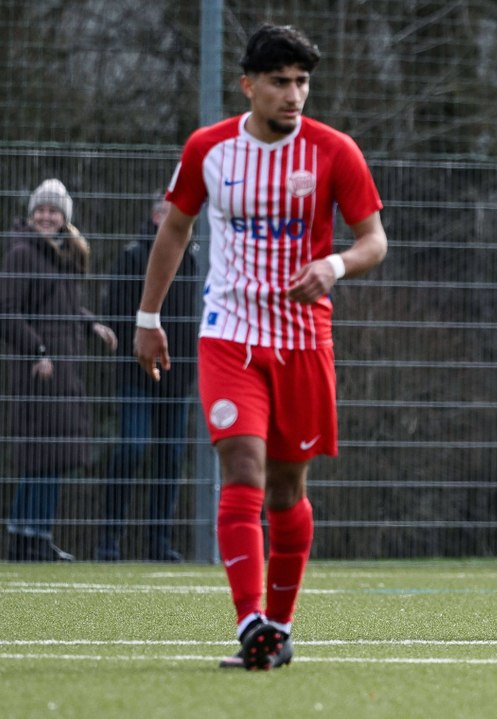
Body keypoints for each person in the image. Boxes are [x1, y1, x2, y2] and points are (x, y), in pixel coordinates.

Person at [133, 24, 386, 670]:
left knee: (285, 488)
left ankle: (278, 624)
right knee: (242, 464)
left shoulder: (334, 151)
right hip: (230, 335)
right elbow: (176, 230)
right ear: (248, 85)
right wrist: (148, 315)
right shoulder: (208, 150)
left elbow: (373, 240)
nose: (293, 93)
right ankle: (250, 620)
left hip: (304, 342)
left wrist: (334, 267)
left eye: (302, 81)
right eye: (279, 81)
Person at [1, 179, 117, 561]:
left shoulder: (62, 254)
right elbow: (9, 313)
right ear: (32, 214)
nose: (46, 216)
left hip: (64, 369)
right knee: (39, 455)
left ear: (64, 216)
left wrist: (90, 323)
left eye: (53, 211)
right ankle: (25, 537)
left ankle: (38, 535)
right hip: (39, 372)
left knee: (57, 456)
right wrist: (38, 351)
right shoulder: (21, 252)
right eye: (41, 210)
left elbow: (61, 308)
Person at [96, 197, 198, 562]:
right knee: (132, 447)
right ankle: (109, 542)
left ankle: (159, 544)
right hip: (135, 375)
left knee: (170, 458)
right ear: (156, 216)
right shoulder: (132, 257)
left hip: (178, 377)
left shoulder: (194, 261)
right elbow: (116, 315)